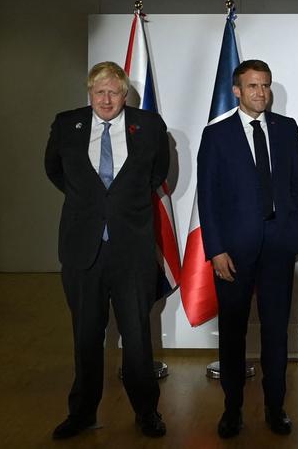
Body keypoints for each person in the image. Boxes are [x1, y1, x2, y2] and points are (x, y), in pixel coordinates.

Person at [45, 61, 169, 439]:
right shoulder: (67, 124)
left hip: (131, 251)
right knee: (85, 337)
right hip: (83, 250)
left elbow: (157, 174)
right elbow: (55, 171)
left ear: (125, 94)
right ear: (89, 93)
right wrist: (94, 205)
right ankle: (82, 412)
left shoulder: (149, 126)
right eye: (99, 92)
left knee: (136, 338)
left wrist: (117, 207)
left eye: (114, 92)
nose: (106, 99)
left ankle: (147, 412)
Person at [196, 59, 298, 438]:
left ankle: (276, 408)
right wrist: (215, 250)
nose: (261, 93)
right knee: (233, 333)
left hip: (279, 249)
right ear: (236, 91)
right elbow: (208, 198)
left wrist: (294, 234)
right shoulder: (217, 135)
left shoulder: (285, 128)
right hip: (233, 253)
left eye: (265, 85)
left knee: (276, 333)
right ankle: (232, 410)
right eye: (252, 86)